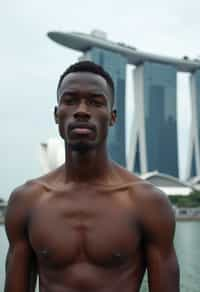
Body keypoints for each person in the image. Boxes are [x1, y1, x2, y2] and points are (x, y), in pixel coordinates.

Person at [4, 61, 180, 292]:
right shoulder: (27, 201)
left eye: (96, 102)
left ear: (112, 117)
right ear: (57, 114)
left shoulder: (147, 202)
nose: (82, 110)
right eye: (70, 101)